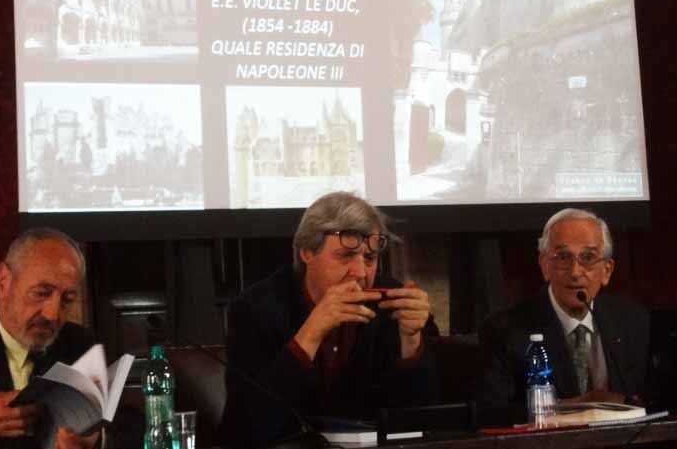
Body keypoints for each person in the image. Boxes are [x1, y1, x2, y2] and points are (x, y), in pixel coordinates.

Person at [221, 191, 439, 447]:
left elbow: (425, 422)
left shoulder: (393, 303)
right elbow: (246, 427)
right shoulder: (254, 310)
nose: (360, 272)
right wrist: (311, 333)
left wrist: (411, 343)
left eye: (369, 258)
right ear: (307, 252)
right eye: (346, 256)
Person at [0, 228, 106, 449]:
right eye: (41, 293)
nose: (52, 315)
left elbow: (127, 425)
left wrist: (96, 440)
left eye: (67, 299)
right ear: (3, 282)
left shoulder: (81, 344)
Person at [477, 208, 650, 426]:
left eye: (588, 257)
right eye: (563, 257)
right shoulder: (504, 329)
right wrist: (574, 408)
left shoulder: (632, 320)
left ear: (607, 270)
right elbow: (491, 414)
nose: (575, 272)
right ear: (544, 266)